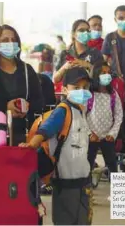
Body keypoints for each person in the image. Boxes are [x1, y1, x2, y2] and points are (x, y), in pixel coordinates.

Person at [20, 67, 93, 225]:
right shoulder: (62, 111)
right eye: (76, 87)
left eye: (85, 87)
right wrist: (31, 145)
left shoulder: (82, 111)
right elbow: (45, 129)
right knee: (66, 221)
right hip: (65, 183)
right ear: (65, 90)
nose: (81, 91)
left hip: (83, 182)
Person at [0, 24, 43, 146]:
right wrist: (5, 107)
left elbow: (39, 101)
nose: (10, 43)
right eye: (5, 40)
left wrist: (28, 106)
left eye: (14, 40)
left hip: (24, 134)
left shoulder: (27, 70)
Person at [87, 61, 123, 186]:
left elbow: (119, 115)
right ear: (96, 74)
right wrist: (89, 133)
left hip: (108, 136)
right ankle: (87, 190)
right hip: (92, 136)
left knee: (112, 163)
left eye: (108, 73)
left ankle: (117, 189)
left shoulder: (113, 95)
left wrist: (112, 133)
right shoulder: (89, 95)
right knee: (88, 163)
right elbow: (81, 116)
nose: (106, 75)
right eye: (103, 73)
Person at [54, 19, 104, 84]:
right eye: (81, 30)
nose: (85, 33)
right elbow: (55, 80)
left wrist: (89, 66)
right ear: (73, 34)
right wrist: (64, 67)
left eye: (88, 30)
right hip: (69, 93)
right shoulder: (65, 53)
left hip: (89, 92)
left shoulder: (95, 53)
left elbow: (101, 81)